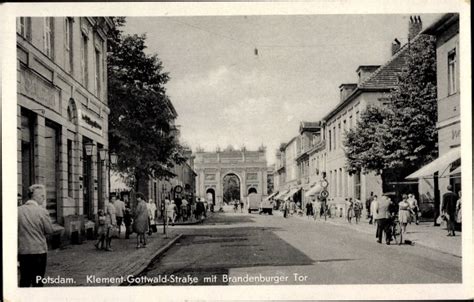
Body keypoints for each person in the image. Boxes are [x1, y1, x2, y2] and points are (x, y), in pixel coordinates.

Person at [18, 184, 54, 287]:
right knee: (38, 282)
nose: (43, 199)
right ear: (38, 197)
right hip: (39, 252)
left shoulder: (18, 210)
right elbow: (49, 230)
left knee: (24, 280)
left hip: (23, 251)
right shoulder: (42, 212)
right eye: (43, 196)